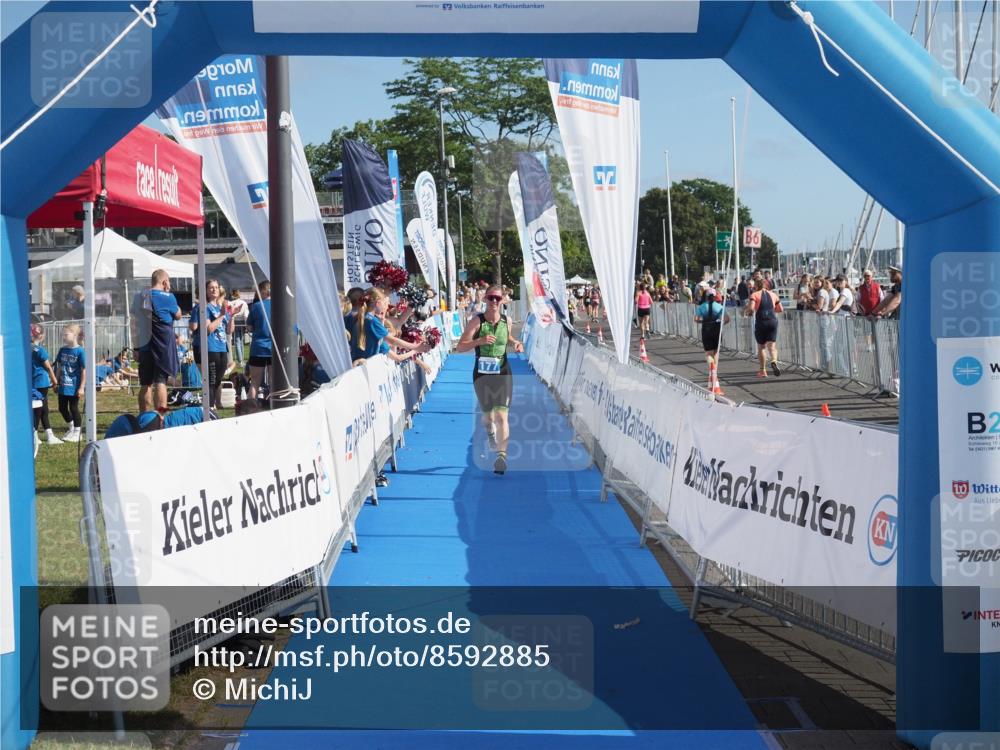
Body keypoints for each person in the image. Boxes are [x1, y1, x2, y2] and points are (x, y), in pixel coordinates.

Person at [456, 284, 525, 475]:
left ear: (502, 300)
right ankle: (490, 433)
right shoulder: (476, 322)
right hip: (482, 375)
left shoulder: (506, 320)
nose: (494, 302)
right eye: (490, 298)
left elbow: (508, 337)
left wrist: (515, 343)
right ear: (485, 300)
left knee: (502, 416)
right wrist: (479, 341)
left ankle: (501, 457)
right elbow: (460, 347)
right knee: (488, 418)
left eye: (497, 298)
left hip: (503, 373)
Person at [133, 269, 182, 413]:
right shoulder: (169, 297)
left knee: (145, 384)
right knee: (161, 382)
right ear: (165, 282)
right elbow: (178, 315)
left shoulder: (139, 297)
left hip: (144, 344)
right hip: (162, 345)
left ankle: (144, 417)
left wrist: (136, 348)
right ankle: (160, 418)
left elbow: (134, 324)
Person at [189, 278, 233, 410]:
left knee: (219, 378)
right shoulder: (204, 307)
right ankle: (210, 405)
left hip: (222, 346)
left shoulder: (220, 307)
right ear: (206, 291)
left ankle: (217, 403)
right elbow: (208, 329)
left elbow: (229, 330)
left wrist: (232, 316)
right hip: (209, 347)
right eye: (211, 288)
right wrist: (221, 315)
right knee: (211, 378)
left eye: (216, 287)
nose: (214, 289)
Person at [30, 324, 62, 447]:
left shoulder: (26, 347)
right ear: (42, 336)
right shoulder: (40, 350)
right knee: (42, 409)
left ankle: (41, 434)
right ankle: (43, 435)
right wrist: (55, 382)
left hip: (31, 382)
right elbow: (48, 367)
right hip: (41, 382)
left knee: (38, 409)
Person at [694, 288, 729, 395]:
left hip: (706, 328)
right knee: (716, 351)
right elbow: (727, 319)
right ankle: (715, 371)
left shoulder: (701, 307)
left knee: (708, 352)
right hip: (717, 328)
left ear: (706, 296)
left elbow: (696, 319)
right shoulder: (719, 306)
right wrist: (720, 323)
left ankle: (711, 369)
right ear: (714, 296)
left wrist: (703, 321)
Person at [746, 278, 784, 377]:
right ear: (766, 285)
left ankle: (763, 370)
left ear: (756, 286)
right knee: (772, 347)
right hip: (772, 321)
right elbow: (780, 309)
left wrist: (748, 312)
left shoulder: (754, 295)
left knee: (761, 347)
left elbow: (750, 309)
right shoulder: (773, 294)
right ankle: (774, 361)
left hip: (761, 322)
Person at [54, 324, 86, 442]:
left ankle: (78, 433)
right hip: (62, 385)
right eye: (63, 334)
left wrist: (82, 387)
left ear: (75, 335)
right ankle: (71, 427)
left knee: (73, 408)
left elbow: (84, 370)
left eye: (66, 334)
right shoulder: (62, 350)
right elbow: (59, 366)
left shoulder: (80, 351)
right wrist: (56, 382)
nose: (64, 337)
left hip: (74, 386)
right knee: (62, 408)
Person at [245, 280, 273, 405]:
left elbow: (249, 328)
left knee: (255, 382)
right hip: (274, 348)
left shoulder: (256, 306)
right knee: (274, 381)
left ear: (263, 291)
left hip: (258, 347)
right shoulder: (281, 305)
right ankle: (275, 406)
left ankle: (250, 408)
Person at [229, 289, 249, 366]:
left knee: (237, 341)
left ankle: (240, 360)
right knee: (240, 341)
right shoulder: (243, 303)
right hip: (242, 322)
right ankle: (241, 359)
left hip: (235, 321)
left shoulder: (231, 303)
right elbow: (246, 315)